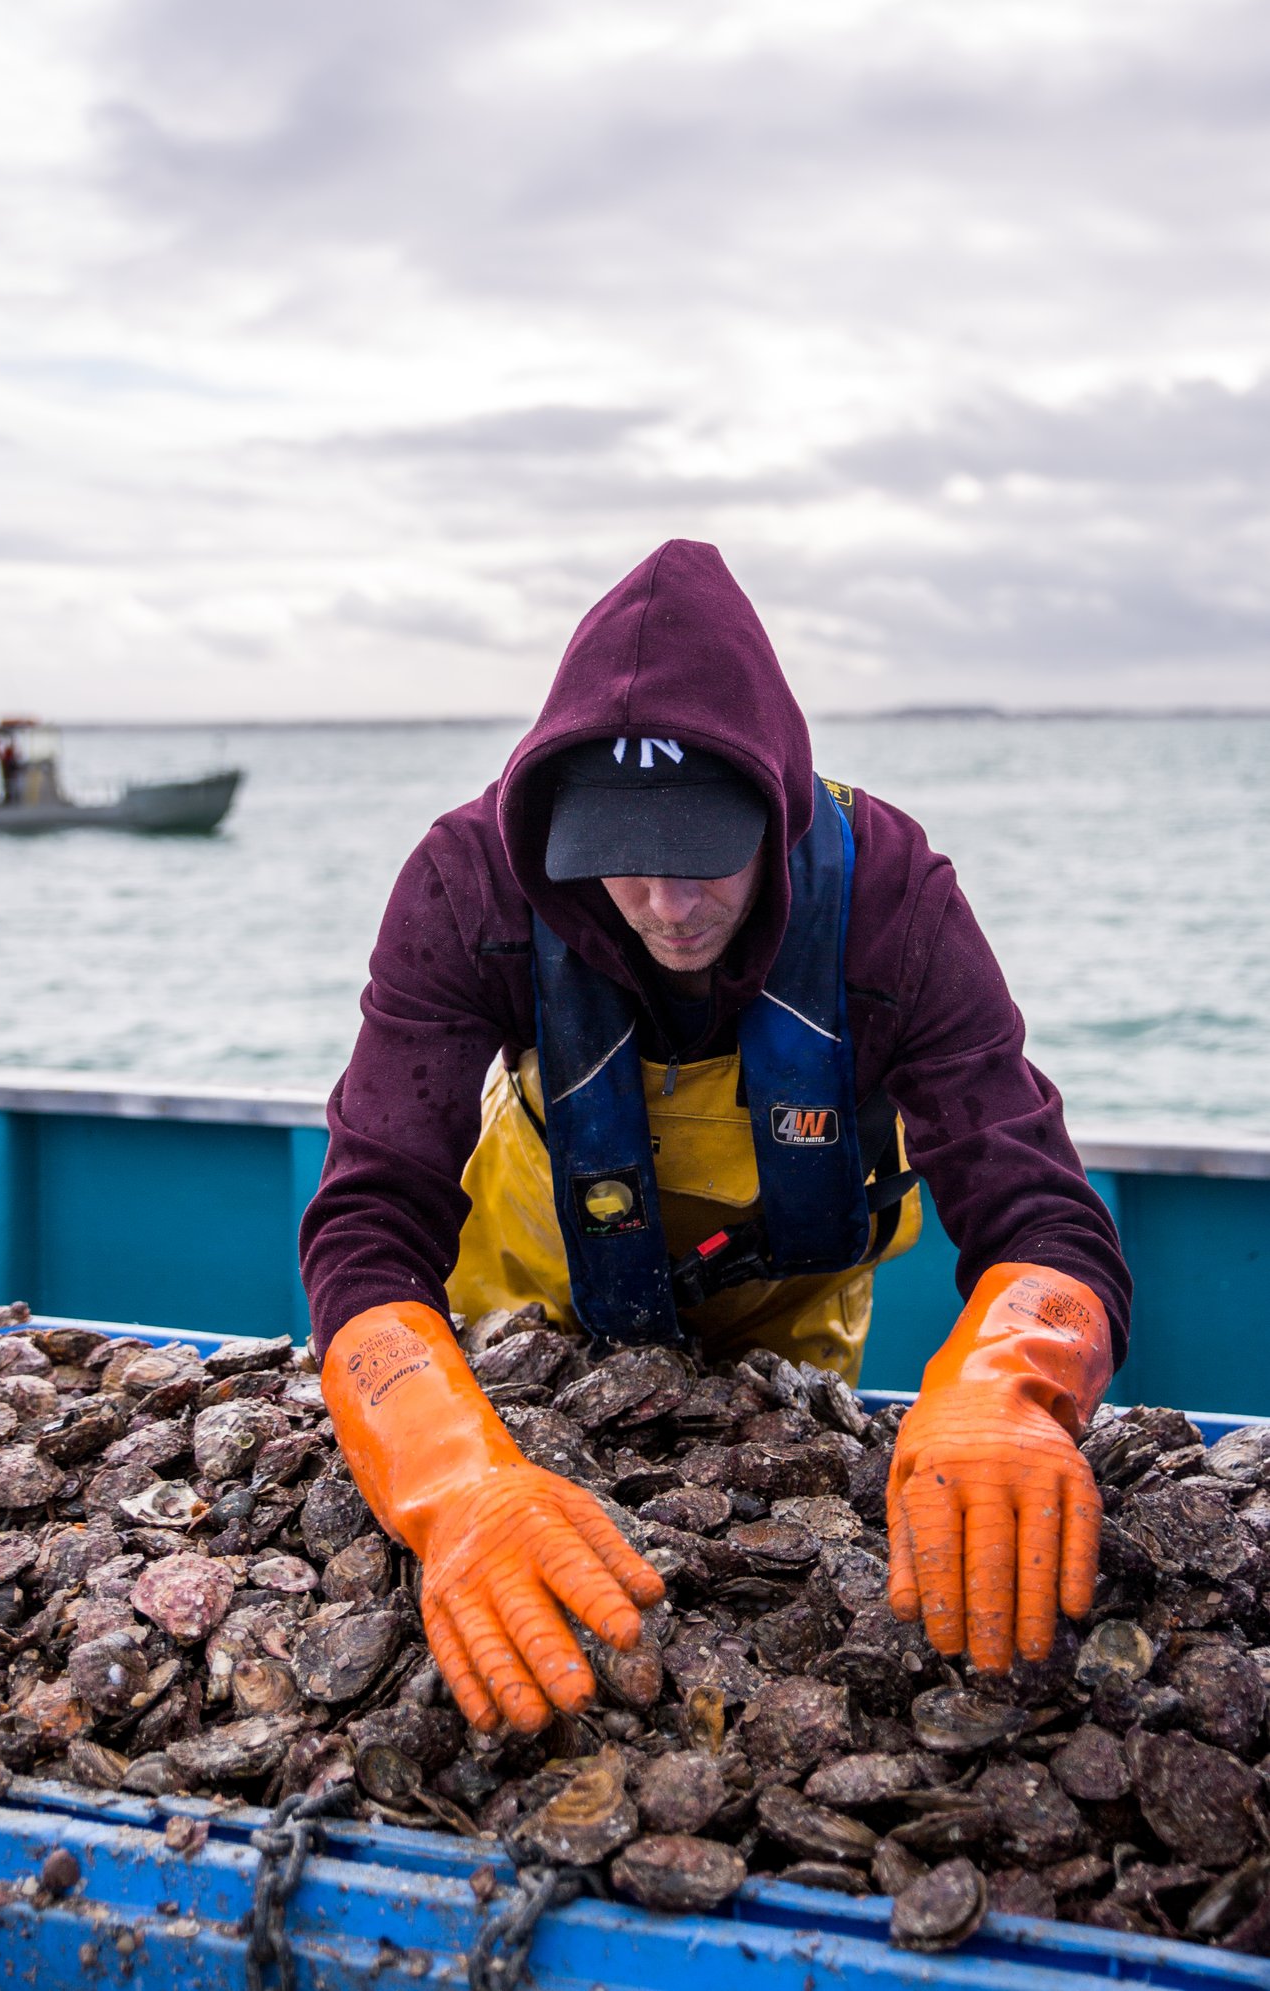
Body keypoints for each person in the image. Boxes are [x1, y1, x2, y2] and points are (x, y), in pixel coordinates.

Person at [302, 540, 1130, 1737]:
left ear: (779, 809)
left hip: (787, 1305)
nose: (667, 904)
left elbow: (1043, 1213)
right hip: (525, 1295)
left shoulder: (893, 898)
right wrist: (449, 1477)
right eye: (622, 859)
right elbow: (368, 1219)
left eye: (703, 852)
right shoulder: (466, 884)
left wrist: (1010, 1383)